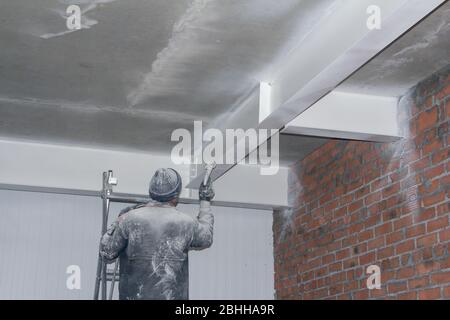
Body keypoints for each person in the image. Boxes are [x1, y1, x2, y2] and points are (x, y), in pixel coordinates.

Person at [100, 168, 214, 300]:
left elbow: (106, 253)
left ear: (151, 192)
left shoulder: (129, 219)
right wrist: (205, 200)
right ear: (176, 195)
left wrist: (118, 221)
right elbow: (206, 237)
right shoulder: (186, 223)